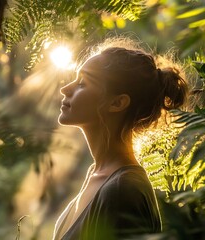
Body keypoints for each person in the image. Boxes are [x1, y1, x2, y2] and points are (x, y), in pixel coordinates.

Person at [52, 37, 188, 240]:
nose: (65, 89)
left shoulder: (122, 191)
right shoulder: (99, 174)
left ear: (117, 103)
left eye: (82, 83)